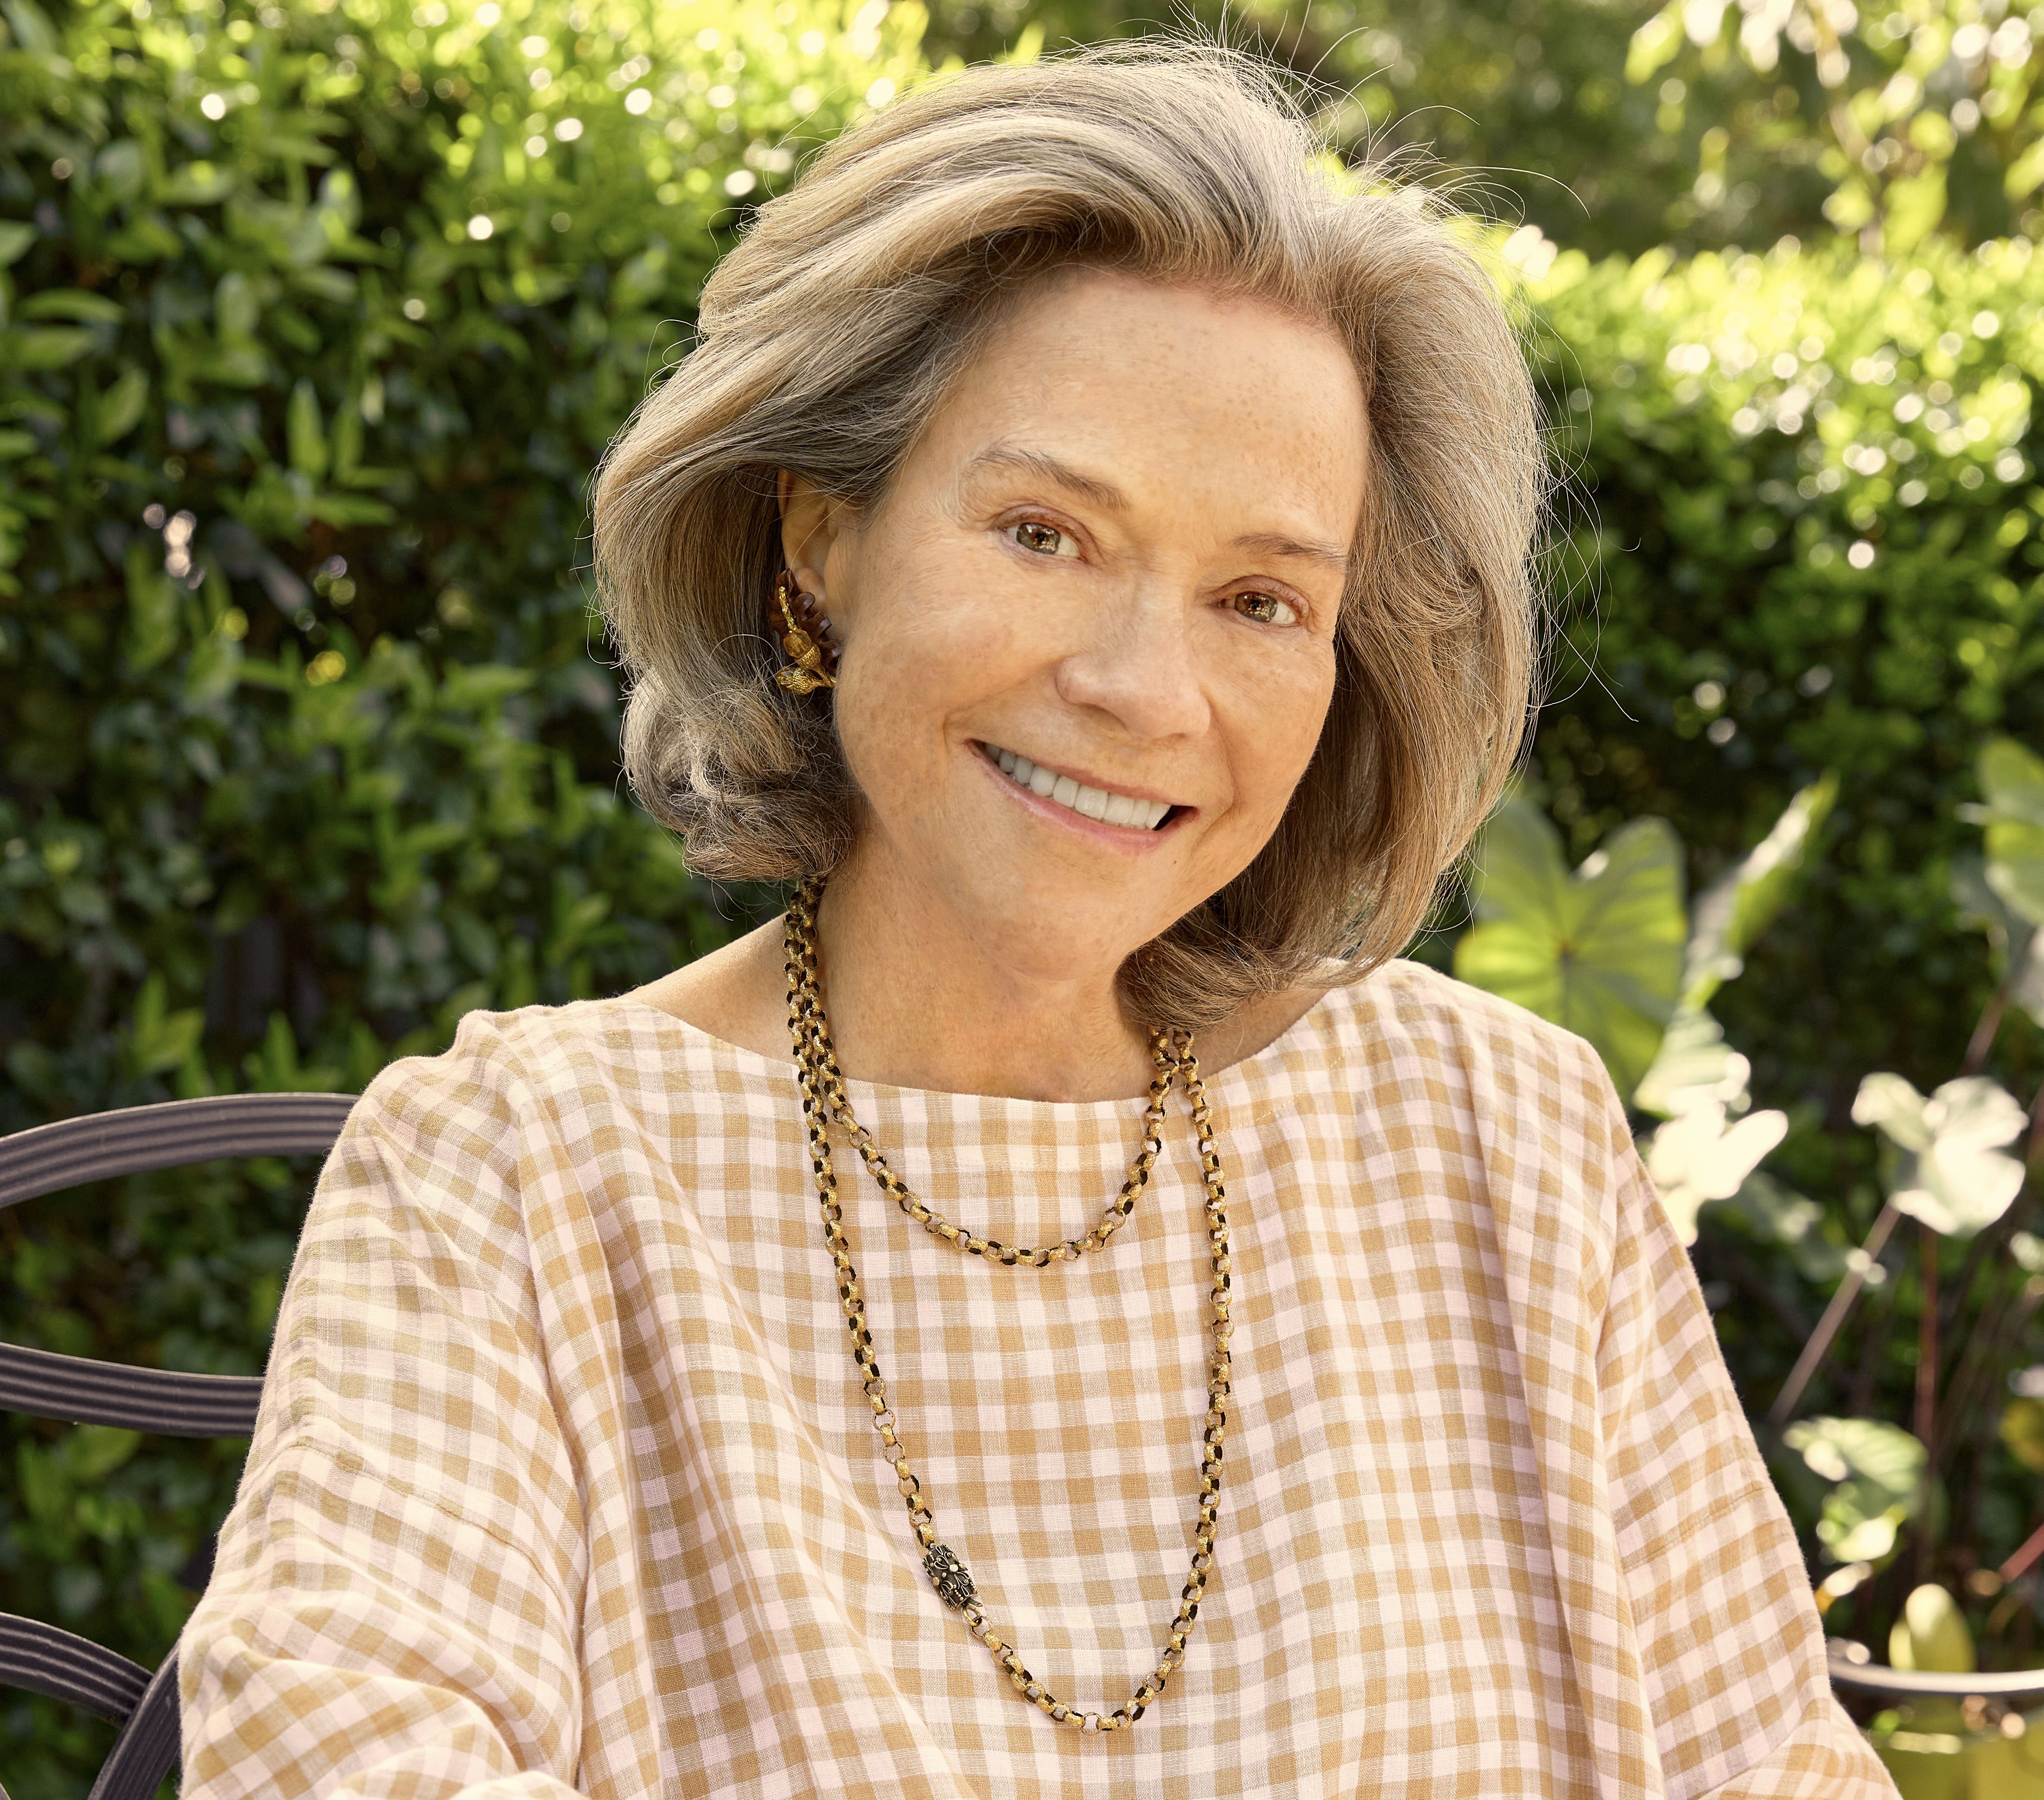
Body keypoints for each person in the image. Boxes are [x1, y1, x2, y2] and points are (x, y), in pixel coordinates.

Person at [175, 38, 1899, 1800]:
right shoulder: (516, 1178)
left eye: (1256, 598)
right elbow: (329, 1757)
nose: (1147, 691)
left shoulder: (1508, 1144)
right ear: (820, 542)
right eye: (1043, 532)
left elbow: (1773, 1766)